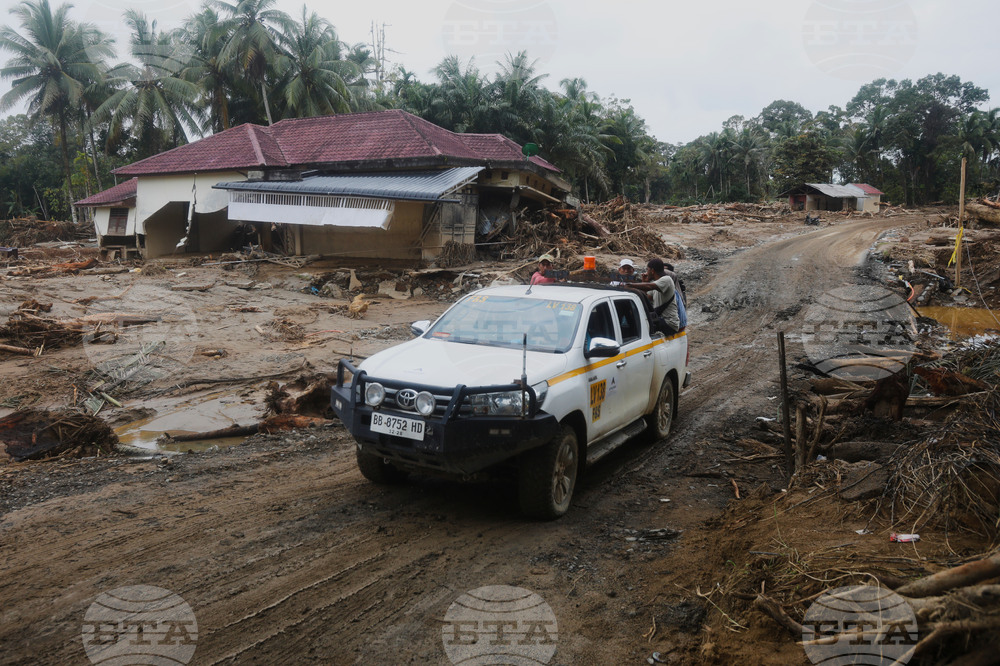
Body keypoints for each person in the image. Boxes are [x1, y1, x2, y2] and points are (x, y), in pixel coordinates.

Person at [629, 258, 680, 334]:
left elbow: (649, 286)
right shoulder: (656, 284)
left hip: (669, 323)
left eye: (647, 270)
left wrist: (629, 285)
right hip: (661, 320)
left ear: (652, 271)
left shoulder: (666, 280)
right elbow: (645, 299)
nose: (646, 272)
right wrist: (644, 282)